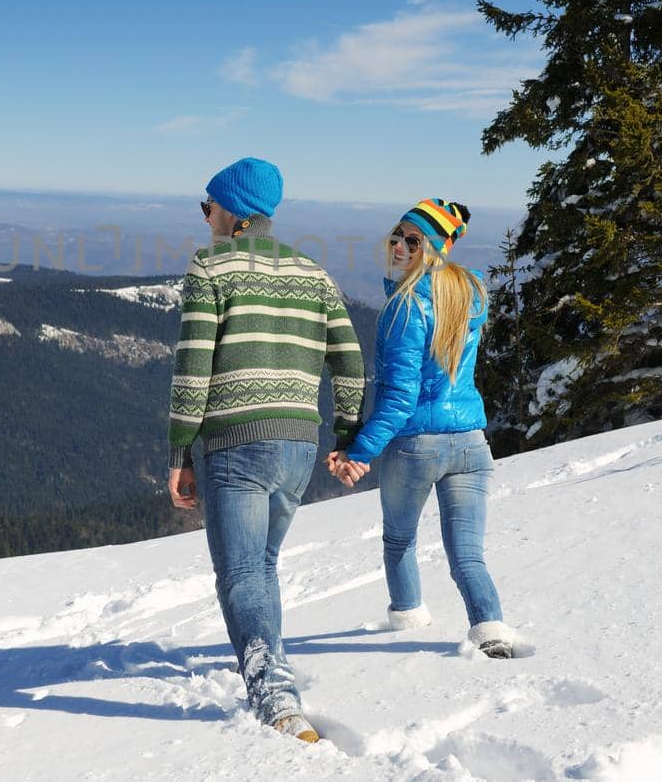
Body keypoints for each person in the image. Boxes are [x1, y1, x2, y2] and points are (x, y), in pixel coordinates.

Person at [167, 157, 365, 743]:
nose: (206, 221)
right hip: (299, 446)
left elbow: (192, 366)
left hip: (235, 444)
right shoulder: (314, 273)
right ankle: (266, 662)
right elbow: (351, 361)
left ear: (230, 211)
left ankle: (277, 701)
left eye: (208, 209)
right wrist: (346, 432)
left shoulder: (210, 266)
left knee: (243, 573)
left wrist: (179, 451)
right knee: (261, 566)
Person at [328, 198, 518, 659]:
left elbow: (399, 399)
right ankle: (490, 630)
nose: (398, 245)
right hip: (471, 442)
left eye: (412, 240)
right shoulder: (470, 295)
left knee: (399, 539)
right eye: (396, 235)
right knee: (467, 552)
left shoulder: (405, 308)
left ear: (432, 248)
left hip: (416, 445)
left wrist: (359, 452)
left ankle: (407, 616)